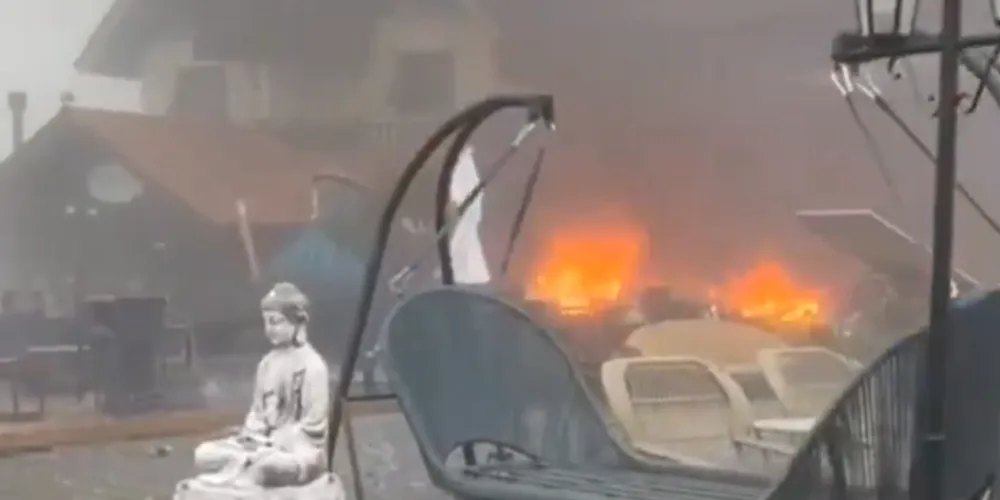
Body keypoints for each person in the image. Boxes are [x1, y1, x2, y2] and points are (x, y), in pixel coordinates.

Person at [191, 282, 330, 488]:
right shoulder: (266, 364)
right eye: (266, 322)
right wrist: (252, 437)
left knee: (270, 466)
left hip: (296, 450)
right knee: (203, 454)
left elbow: (314, 427)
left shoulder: (312, 366)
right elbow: (257, 414)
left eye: (276, 322)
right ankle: (244, 470)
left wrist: (277, 442)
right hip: (261, 445)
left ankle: (247, 474)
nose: (269, 329)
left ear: (298, 323)